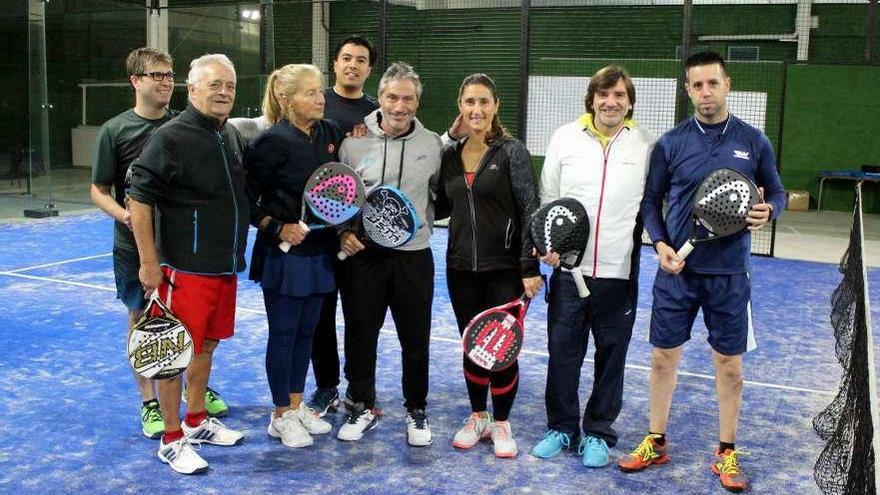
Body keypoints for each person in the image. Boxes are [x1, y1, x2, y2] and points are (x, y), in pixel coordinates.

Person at [617, 51, 785, 493]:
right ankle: (656, 440)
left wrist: (770, 211)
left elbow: (778, 193)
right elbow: (651, 204)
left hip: (730, 276)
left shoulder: (755, 141)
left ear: (727, 84)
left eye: (712, 83)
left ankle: (726, 450)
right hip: (677, 273)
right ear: (687, 89)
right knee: (661, 359)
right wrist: (661, 244)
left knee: (729, 366)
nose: (705, 92)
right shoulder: (670, 143)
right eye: (696, 85)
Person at [89, 48, 228, 441]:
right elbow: (98, 190)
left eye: (169, 75)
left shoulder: (187, 124)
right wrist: (127, 216)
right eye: (156, 75)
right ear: (136, 81)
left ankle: (192, 390)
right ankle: (150, 401)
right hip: (134, 245)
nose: (166, 81)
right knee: (143, 320)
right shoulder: (115, 131)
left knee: (191, 322)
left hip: (182, 247)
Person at [529, 66, 655, 468]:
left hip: (618, 274)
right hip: (568, 273)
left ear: (629, 101)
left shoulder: (646, 145)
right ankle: (562, 427)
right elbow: (549, 199)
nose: (611, 102)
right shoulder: (565, 137)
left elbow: (654, 203)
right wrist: (547, 248)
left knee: (611, 355)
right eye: (604, 94)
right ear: (592, 98)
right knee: (563, 353)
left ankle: (599, 432)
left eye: (619, 95)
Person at [128, 53, 249, 474]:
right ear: (192, 89)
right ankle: (172, 438)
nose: (224, 92)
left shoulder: (229, 135)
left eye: (229, 85)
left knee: (207, 346)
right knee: (174, 355)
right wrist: (149, 262)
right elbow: (138, 199)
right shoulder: (170, 137)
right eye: (214, 84)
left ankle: (197, 420)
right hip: (185, 269)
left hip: (224, 266)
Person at [434, 73, 542, 458]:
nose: (476, 109)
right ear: (460, 107)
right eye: (469, 102)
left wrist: (529, 266)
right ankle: (477, 415)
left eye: (483, 102)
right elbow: (443, 205)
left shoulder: (512, 151)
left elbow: (530, 207)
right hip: (460, 268)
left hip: (504, 269)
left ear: (495, 106)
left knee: (501, 348)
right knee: (472, 346)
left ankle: (501, 423)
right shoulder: (451, 154)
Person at [335, 62, 443, 447]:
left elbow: (437, 197)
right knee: (361, 333)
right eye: (392, 97)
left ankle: (417, 409)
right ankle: (361, 404)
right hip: (365, 257)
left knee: (416, 338)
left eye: (408, 98)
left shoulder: (432, 144)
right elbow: (341, 197)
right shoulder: (353, 141)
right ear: (379, 98)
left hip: (414, 258)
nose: (400, 106)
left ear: (417, 102)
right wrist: (344, 233)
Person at [244, 64, 338, 449]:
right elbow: (246, 199)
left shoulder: (329, 133)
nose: (320, 99)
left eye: (320, 92)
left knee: (307, 333)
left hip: (320, 253)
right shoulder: (269, 142)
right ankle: (280, 414)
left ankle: (298, 406)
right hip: (284, 257)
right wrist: (276, 227)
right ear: (286, 99)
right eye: (310, 93)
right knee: (283, 335)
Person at [307, 35, 380, 417]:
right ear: (334, 64)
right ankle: (326, 387)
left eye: (361, 60)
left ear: (370, 69)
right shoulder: (317, 104)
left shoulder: (377, 112)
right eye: (346, 58)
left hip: (361, 237)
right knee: (321, 316)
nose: (353, 65)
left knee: (360, 317)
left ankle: (360, 388)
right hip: (321, 233)